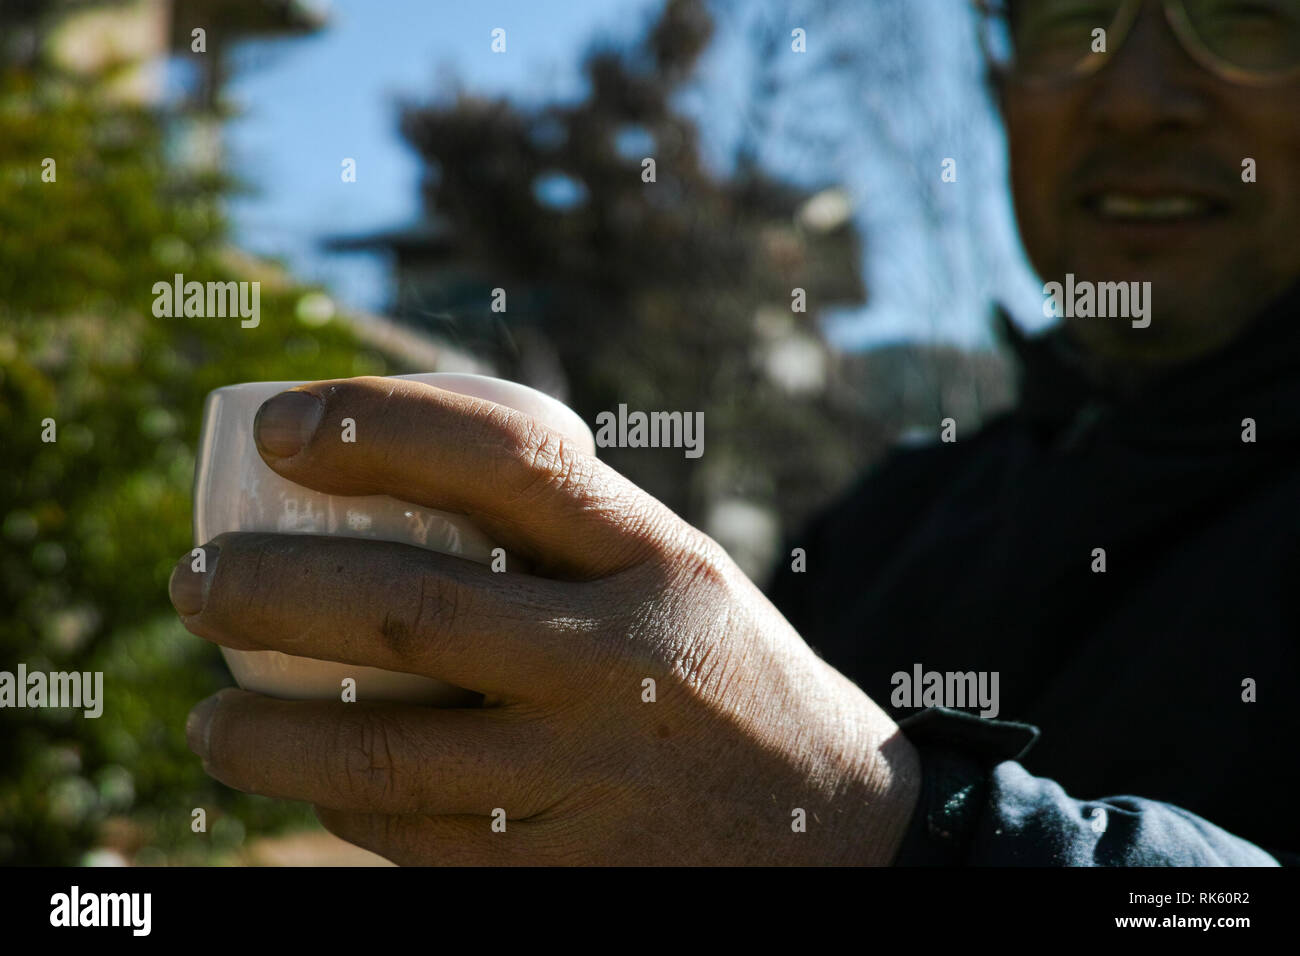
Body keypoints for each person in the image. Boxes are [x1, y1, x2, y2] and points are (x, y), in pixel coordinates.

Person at [169, 0, 1297, 865]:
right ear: (1003, 88)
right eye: (1070, 22)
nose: (1140, 95)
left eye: (1246, 17)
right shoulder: (893, 521)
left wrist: (876, 827)